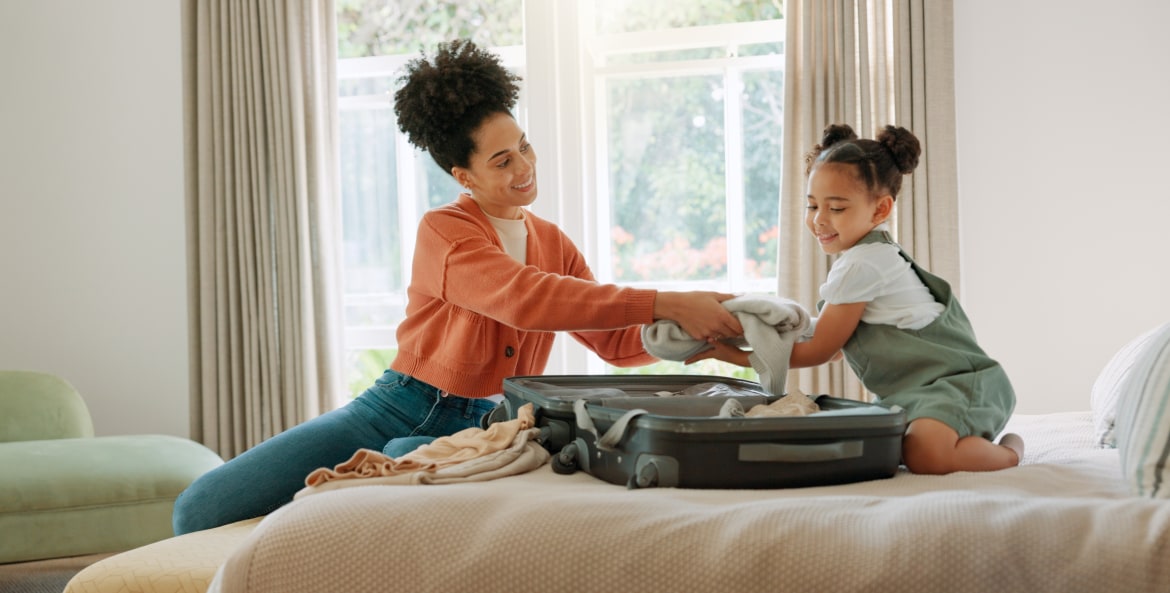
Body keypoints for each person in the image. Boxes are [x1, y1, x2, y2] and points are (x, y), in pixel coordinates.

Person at [172, 39, 743, 534]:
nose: (524, 165)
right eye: (502, 160)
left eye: (524, 144)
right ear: (464, 176)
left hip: (494, 427)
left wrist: (702, 338)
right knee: (199, 509)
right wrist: (668, 299)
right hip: (398, 406)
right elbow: (525, 297)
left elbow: (615, 342)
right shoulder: (445, 230)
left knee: (397, 473)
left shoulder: (554, 241)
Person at [689, 123, 1023, 475]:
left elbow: (821, 350)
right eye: (812, 205)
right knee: (883, 448)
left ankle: (1011, 452)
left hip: (959, 386)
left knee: (927, 456)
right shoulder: (864, 257)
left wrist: (738, 357)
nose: (819, 220)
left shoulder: (864, 264)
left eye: (836, 209)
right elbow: (836, 346)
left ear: (879, 210)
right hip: (914, 394)